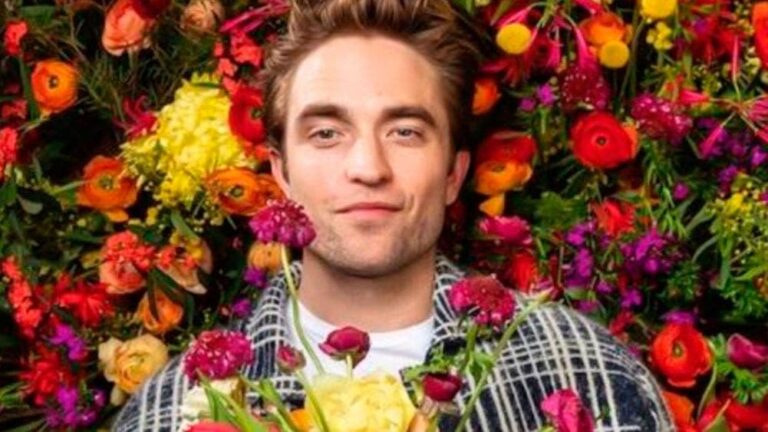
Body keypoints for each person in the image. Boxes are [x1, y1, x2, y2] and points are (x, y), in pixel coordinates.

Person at [114, 0, 673, 430]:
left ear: (454, 173)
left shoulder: (590, 374)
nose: (368, 167)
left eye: (405, 132)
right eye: (326, 133)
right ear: (281, 173)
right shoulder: (168, 413)